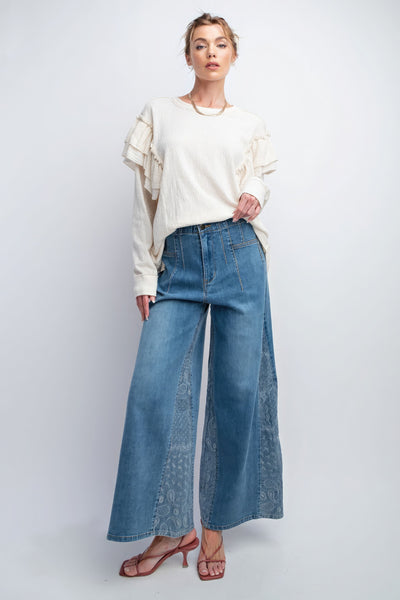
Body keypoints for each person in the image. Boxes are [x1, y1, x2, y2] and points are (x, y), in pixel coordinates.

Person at [106, 12, 284, 581]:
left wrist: (254, 191)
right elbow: (144, 203)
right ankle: (170, 527)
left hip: (238, 255)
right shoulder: (160, 114)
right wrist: (144, 276)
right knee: (153, 392)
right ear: (187, 56)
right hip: (177, 263)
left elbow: (258, 177)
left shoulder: (249, 124)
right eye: (200, 45)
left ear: (233, 54)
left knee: (237, 394)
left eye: (220, 44)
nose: (211, 52)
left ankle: (214, 529)